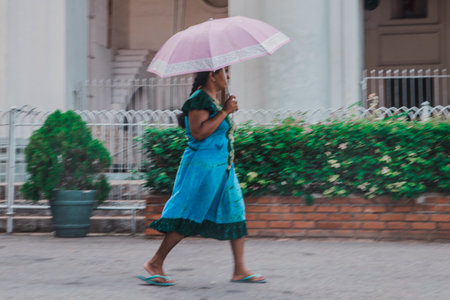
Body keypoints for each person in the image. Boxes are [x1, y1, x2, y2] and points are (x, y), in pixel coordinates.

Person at [139, 67, 266, 286]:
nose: (229, 76)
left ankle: (239, 270)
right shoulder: (198, 100)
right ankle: (155, 262)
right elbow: (199, 132)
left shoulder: (215, 99)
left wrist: (224, 109)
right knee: (190, 213)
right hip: (204, 167)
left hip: (224, 167)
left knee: (235, 211)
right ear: (211, 75)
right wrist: (224, 112)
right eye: (225, 71)